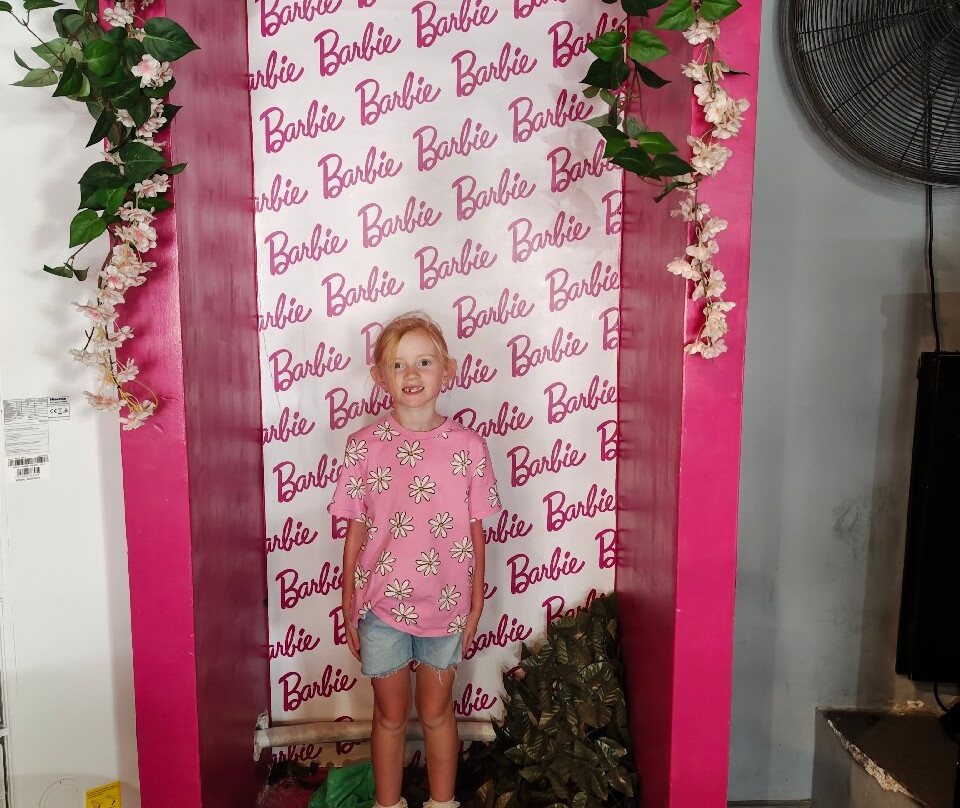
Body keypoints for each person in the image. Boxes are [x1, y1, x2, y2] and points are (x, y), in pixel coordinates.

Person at [328, 311, 502, 808]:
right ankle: (388, 804)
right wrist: (348, 600)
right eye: (398, 364)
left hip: (446, 607)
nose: (411, 374)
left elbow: (477, 532)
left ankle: (442, 802)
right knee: (389, 715)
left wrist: (474, 605)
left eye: (424, 362)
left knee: (436, 712)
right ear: (380, 376)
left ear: (448, 370)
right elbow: (355, 529)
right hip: (380, 607)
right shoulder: (363, 447)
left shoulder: (469, 448)